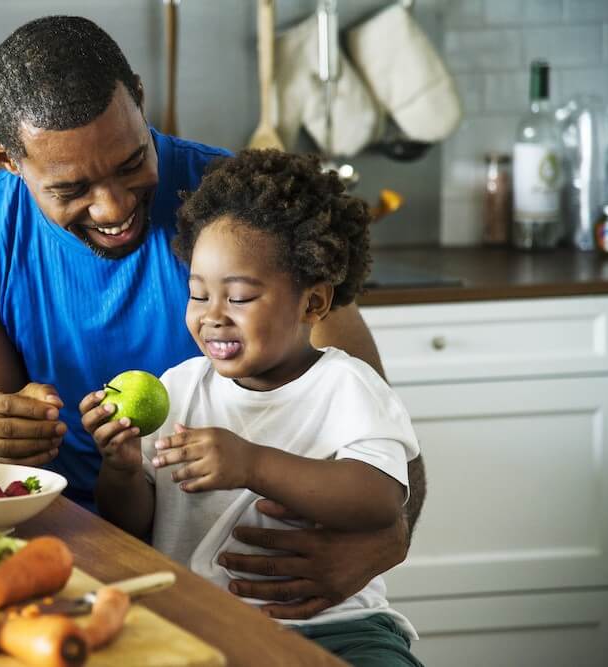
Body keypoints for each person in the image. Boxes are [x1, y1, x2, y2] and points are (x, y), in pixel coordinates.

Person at [0, 14, 427, 621]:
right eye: (71, 188)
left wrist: (385, 543)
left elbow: (383, 433)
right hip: (58, 555)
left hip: (252, 582)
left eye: (132, 162)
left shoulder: (240, 214)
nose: (113, 207)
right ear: (8, 160)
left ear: (139, 96)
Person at [80, 149, 423, 665]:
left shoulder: (347, 387)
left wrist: (252, 463)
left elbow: (380, 500)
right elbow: (134, 523)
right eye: (198, 295)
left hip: (337, 626)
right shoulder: (180, 388)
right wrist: (123, 470)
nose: (212, 317)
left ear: (313, 304)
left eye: (238, 298)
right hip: (200, 621)